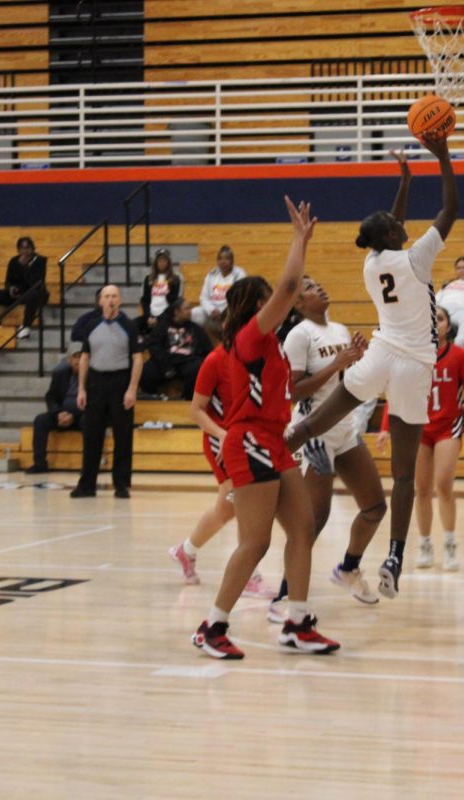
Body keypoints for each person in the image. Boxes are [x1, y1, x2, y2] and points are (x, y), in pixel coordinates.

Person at [285, 137, 458, 600]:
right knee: (403, 476)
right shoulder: (416, 257)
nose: (400, 224)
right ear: (393, 236)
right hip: (414, 364)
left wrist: (404, 181)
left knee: (323, 416)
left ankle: (273, 448)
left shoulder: (372, 261)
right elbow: (451, 208)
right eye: (395, 225)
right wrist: (442, 155)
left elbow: (390, 221)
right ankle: (395, 557)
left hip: (380, 352)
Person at [192, 196, 339, 660]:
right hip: (249, 441)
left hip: (273, 440)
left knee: (303, 526)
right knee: (255, 542)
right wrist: (299, 238)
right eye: (272, 300)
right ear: (257, 306)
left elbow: (288, 396)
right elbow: (291, 282)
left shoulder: (272, 347)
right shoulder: (252, 336)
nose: (287, 301)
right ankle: (211, 627)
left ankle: (297, 622)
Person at [280, 275, 383, 610]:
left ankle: (348, 570)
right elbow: (292, 391)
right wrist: (337, 364)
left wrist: (357, 359)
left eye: (318, 284)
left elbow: (344, 379)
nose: (319, 287)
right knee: (312, 522)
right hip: (314, 434)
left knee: (375, 507)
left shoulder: (338, 329)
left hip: (344, 429)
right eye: (310, 287)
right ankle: (284, 595)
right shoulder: (298, 336)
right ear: (297, 304)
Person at [377, 306, 464, 572]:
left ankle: (450, 544)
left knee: (443, 484)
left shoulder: (459, 355)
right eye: (429, 318)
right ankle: (425, 544)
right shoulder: (411, 354)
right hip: (418, 427)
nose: (434, 323)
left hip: (448, 426)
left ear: (448, 326)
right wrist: (384, 428)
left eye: (439, 319)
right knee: (422, 489)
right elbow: (395, 391)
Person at [168, 343, 274, 599]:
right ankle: (249, 575)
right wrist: (223, 435)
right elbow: (196, 409)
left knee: (226, 510)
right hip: (222, 437)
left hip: (250, 435)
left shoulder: (262, 353)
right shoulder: (215, 359)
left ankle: (187, 550)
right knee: (244, 500)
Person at [71, 284, 142, 499]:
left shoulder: (129, 326)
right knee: (92, 434)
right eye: (106, 296)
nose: (110, 300)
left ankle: (121, 484)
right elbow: (84, 358)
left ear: (119, 300)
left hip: (120, 382)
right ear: (100, 301)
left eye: (114, 296)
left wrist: (132, 389)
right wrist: (81, 389)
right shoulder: (91, 325)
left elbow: (138, 359)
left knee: (123, 435)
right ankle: (87, 484)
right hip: (96, 382)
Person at [24, 343, 84, 475]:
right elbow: (51, 397)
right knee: (40, 420)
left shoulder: (93, 376)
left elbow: (94, 402)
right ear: (69, 360)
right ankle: (40, 464)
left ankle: (88, 465)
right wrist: (58, 413)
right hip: (61, 415)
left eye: (82, 356)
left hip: (82, 415)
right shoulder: (60, 374)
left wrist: (73, 415)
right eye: (75, 357)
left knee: (91, 421)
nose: (79, 360)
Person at [139, 298, 211, 400]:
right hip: (166, 361)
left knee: (198, 368)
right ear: (176, 312)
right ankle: (152, 397)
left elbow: (208, 350)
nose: (190, 311)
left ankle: (188, 399)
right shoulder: (163, 327)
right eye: (186, 309)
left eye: (190, 308)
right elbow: (154, 346)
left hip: (188, 362)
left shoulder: (196, 329)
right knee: (146, 370)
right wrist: (166, 367)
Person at [0, 236, 48, 339]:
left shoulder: (40, 261)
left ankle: (25, 327)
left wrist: (24, 267)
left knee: (33, 294)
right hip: (18, 293)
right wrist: (11, 289)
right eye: (22, 248)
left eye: (28, 248)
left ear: (33, 248)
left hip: (35, 293)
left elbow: (36, 283)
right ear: (18, 250)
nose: (25, 251)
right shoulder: (14, 261)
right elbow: (8, 281)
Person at [191, 245, 246, 339]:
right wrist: (212, 310)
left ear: (232, 261)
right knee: (194, 313)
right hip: (213, 313)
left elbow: (239, 298)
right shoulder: (211, 275)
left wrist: (226, 313)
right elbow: (204, 297)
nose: (223, 262)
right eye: (220, 259)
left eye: (227, 259)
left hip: (231, 313)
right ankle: (201, 343)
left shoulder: (239, 274)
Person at [138, 248, 182, 335]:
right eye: (160, 260)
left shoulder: (175, 279)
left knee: (161, 328)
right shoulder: (148, 279)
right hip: (151, 315)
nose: (162, 263)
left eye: (164, 260)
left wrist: (159, 318)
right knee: (134, 325)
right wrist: (149, 316)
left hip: (167, 315)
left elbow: (175, 302)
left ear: (169, 263)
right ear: (156, 262)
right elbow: (145, 300)